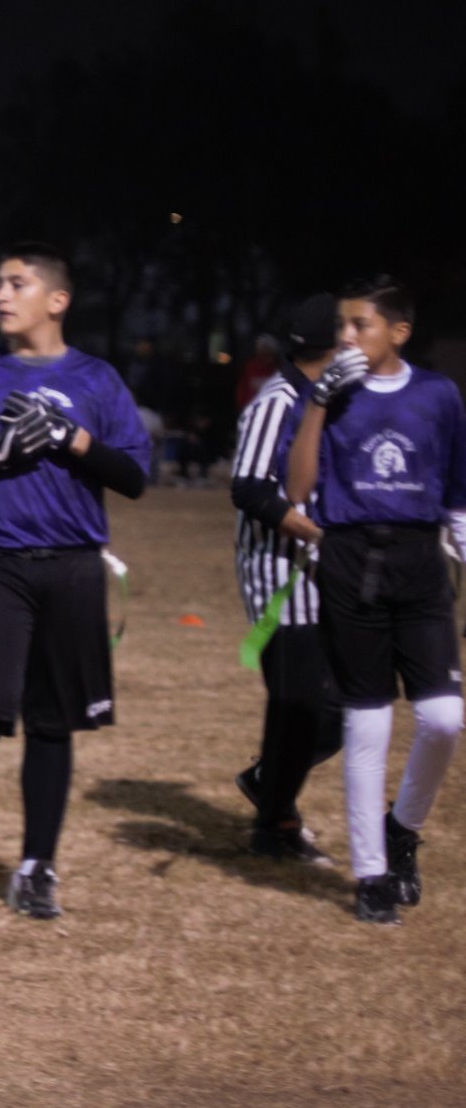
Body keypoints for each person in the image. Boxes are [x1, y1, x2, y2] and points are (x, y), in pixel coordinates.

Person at [0, 243, 149, 921]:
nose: (1, 295)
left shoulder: (96, 379)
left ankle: (38, 866)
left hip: (74, 564)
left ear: (57, 300)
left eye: (18, 284)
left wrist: (72, 438)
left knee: (52, 721)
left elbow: (134, 477)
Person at [283, 276, 464, 926]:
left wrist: (461, 532)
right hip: (350, 561)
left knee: (445, 717)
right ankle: (372, 873)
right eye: (342, 328)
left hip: (419, 564)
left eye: (359, 325)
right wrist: (316, 405)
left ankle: (402, 827)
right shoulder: (330, 393)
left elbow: (456, 479)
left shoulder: (438, 394)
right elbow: (297, 489)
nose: (347, 338)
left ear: (399, 332)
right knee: (369, 719)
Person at [228, 296, 344, 863]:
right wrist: (316, 533)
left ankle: (268, 780)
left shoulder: (338, 399)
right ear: (336, 342)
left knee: (346, 706)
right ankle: (275, 821)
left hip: (335, 573)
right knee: (298, 700)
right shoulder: (276, 401)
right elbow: (248, 489)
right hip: (281, 571)